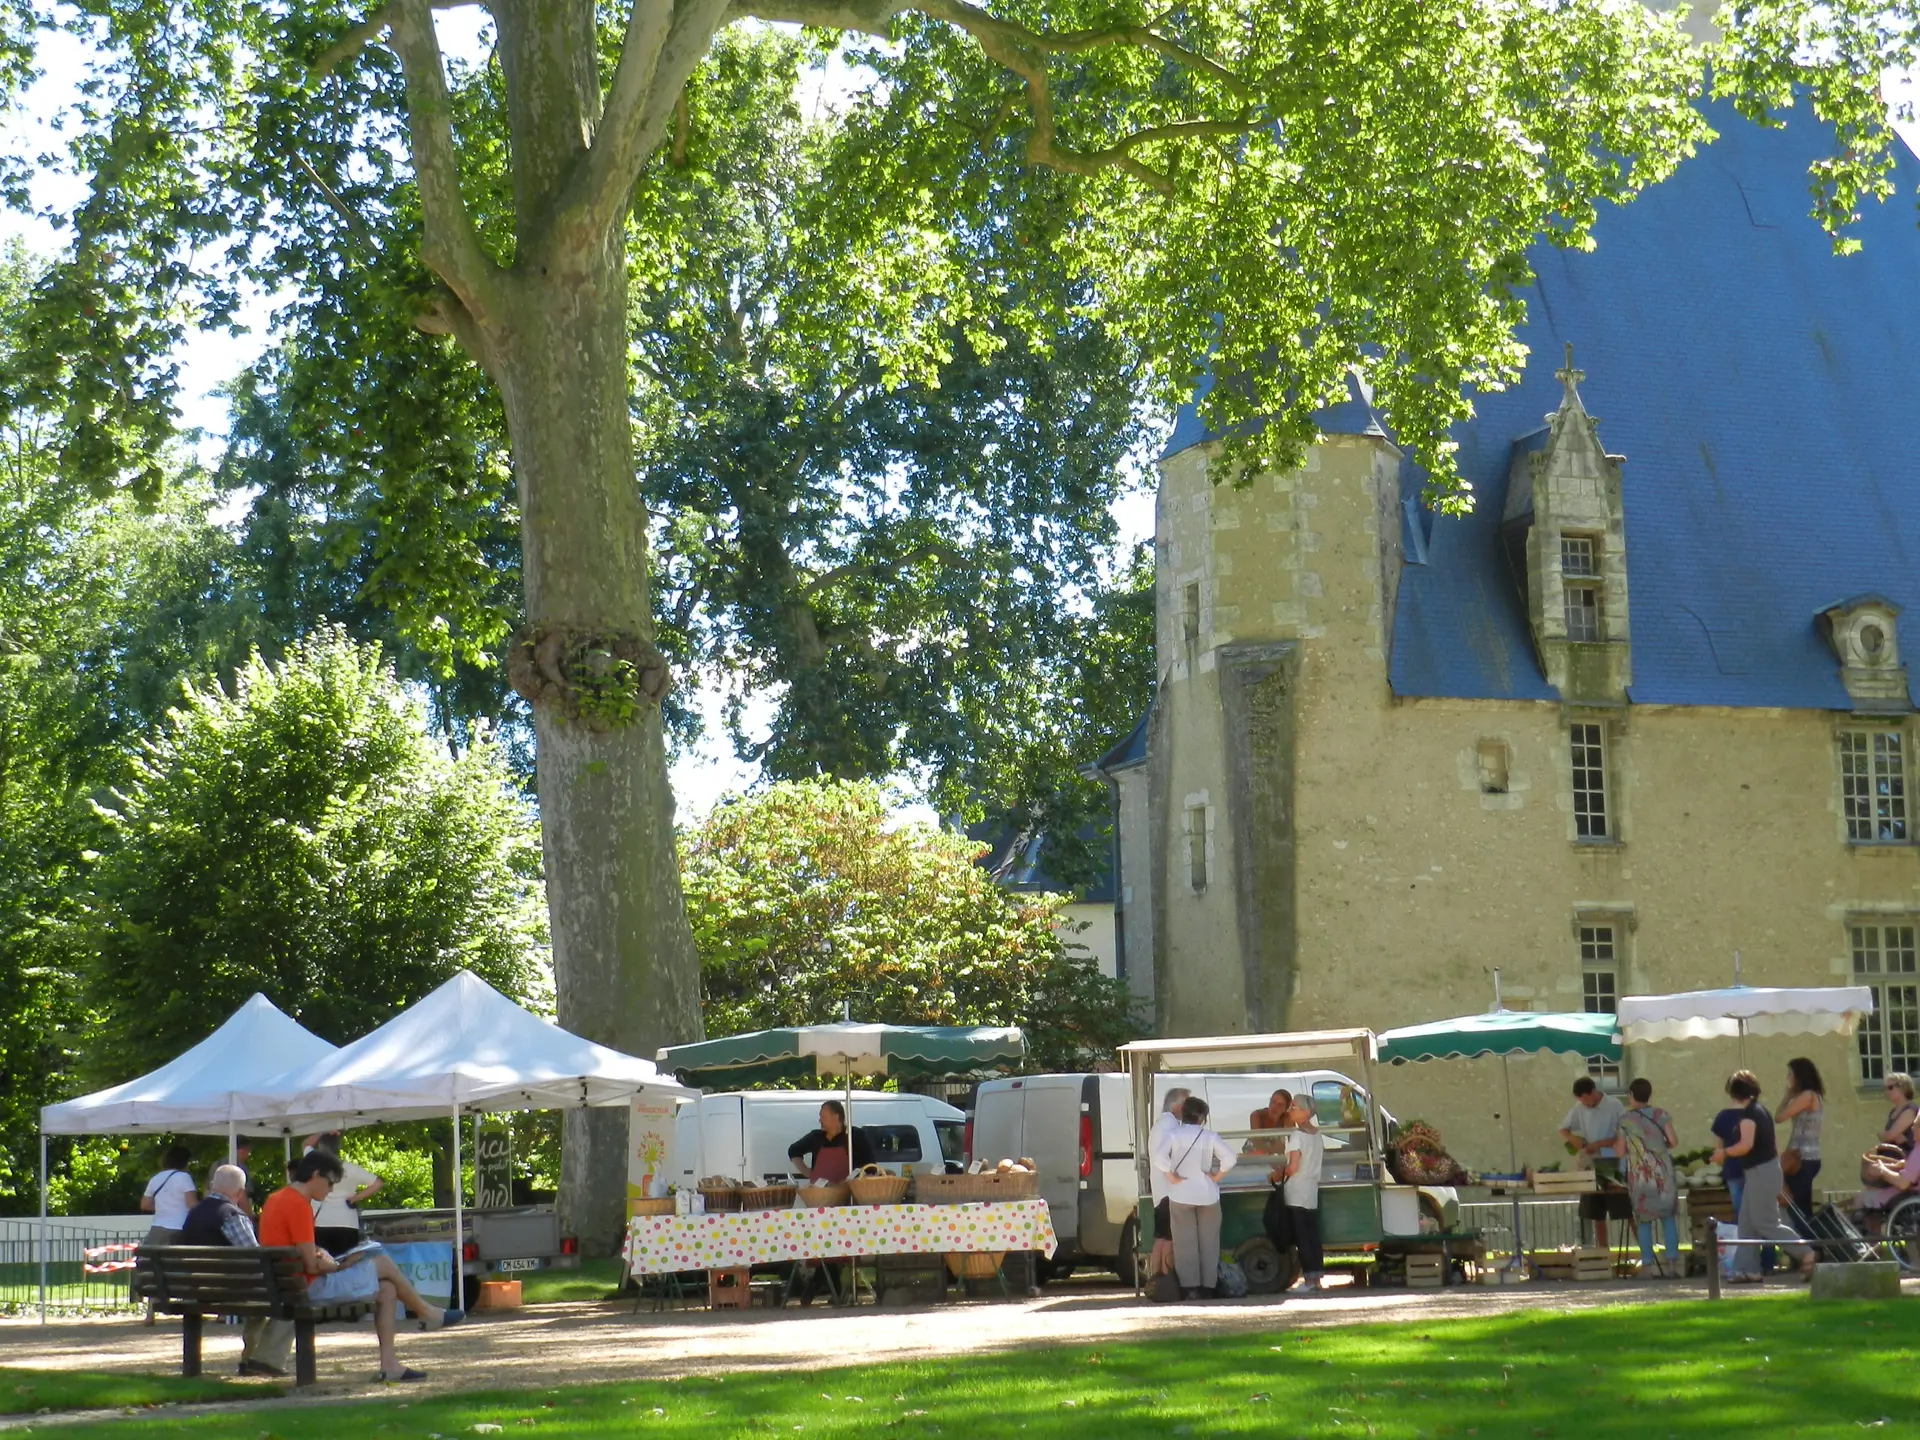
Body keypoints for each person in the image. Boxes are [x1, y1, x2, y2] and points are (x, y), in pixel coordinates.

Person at [257, 1150, 463, 1383]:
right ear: (316, 1175)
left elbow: (296, 1250)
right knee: (382, 1262)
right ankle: (427, 1312)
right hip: (308, 1288)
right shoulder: (299, 1205)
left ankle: (390, 1365)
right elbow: (313, 1268)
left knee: (387, 1289)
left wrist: (323, 1256)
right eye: (330, 1182)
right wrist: (340, 1265)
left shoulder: (276, 1199)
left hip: (287, 1284)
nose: (331, 1189)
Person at [180, 1164, 284, 1378]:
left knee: (262, 1296)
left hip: (194, 1288)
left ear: (211, 1186)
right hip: (229, 1289)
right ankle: (255, 1359)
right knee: (278, 1296)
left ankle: (249, 1359)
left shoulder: (193, 1214)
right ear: (240, 1193)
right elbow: (255, 1257)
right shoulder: (232, 1215)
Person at [1711, 1070, 1814, 1283]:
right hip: (1761, 1171)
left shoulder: (1750, 1116)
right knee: (1747, 1223)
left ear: (1734, 1092)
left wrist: (1724, 1153)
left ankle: (1806, 1252)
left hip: (1761, 1172)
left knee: (1765, 1222)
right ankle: (1747, 1270)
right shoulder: (1760, 1110)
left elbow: (1745, 1146)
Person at [1150, 1095, 1237, 1299]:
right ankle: (1209, 1287)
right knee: (1209, 1242)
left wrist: (1170, 1175)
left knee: (1184, 1243)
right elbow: (1230, 1158)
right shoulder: (1210, 1136)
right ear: (1202, 1118)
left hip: (1180, 1193)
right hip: (1207, 1193)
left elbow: (1159, 1158)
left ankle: (1190, 1289)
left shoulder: (1172, 1134)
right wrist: (1216, 1176)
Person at [1614, 1079, 1679, 1277]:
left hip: (1640, 1175)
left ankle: (1648, 1266)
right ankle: (1672, 1265)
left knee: (1643, 1220)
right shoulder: (1661, 1115)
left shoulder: (1625, 1120)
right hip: (1663, 1173)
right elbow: (1673, 1141)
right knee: (1667, 1218)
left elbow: (1619, 1151)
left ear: (1632, 1095)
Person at [1557, 1077, 1625, 1248]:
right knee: (1597, 1214)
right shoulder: (1579, 1108)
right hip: (1591, 1164)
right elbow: (1563, 1129)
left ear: (1594, 1092)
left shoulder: (1614, 1105)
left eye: (1586, 1099)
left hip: (1613, 1163)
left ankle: (1645, 1256)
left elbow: (1624, 1134)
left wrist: (1599, 1144)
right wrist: (1574, 1139)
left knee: (1626, 1211)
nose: (1584, 1104)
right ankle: (1603, 1254)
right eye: (1581, 1101)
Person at [135, 1143, 199, 1321]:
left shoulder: (156, 1178)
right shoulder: (184, 1177)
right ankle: (189, 1307)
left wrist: (164, 1206)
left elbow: (145, 1204)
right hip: (180, 1228)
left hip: (158, 1227)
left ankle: (150, 1312)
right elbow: (192, 1203)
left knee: (155, 1269)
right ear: (185, 1161)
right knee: (183, 1269)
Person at [303, 1132, 383, 1256]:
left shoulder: (313, 1164)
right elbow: (377, 1183)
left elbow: (306, 1143)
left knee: (322, 1262)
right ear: (339, 1148)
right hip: (347, 1221)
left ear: (320, 1146)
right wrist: (355, 1198)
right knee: (346, 1263)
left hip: (320, 1221)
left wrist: (324, 1130)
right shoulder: (351, 1168)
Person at [1146, 1087, 1191, 1285]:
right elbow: (1169, 1159)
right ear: (1179, 1106)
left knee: (1161, 1239)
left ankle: (1156, 1280)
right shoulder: (1171, 1127)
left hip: (1160, 1190)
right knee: (1169, 1239)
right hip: (1169, 1191)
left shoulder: (1160, 1125)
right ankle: (1167, 1281)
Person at [1281, 1095, 1327, 1290]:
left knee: (1302, 1236)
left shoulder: (1297, 1136)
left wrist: (1278, 1174)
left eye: (1294, 1107)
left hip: (1297, 1188)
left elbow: (1292, 1167)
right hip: (1311, 1188)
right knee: (1312, 1235)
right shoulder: (1317, 1135)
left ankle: (1309, 1279)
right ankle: (1316, 1276)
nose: (1290, 1110)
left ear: (1306, 1112)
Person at [1774, 1058, 1825, 1220]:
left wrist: (1787, 1096)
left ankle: (1807, 1241)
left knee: (1797, 1207)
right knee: (1800, 1205)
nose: (1788, 1077)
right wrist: (1788, 1095)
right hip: (1802, 1157)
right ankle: (1809, 1241)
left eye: (1790, 1074)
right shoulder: (1810, 1095)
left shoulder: (1808, 1096)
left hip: (1803, 1158)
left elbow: (1779, 1117)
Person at [787, 1100, 875, 1182]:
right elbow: (793, 1150)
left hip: (848, 1194)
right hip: (820, 1194)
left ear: (836, 1117)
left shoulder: (854, 1135)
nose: (820, 1120)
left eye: (823, 1117)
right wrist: (807, 1172)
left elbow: (870, 1166)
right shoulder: (816, 1137)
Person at [1878, 1073, 1917, 1155]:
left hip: (1905, 1160)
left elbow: (1889, 1136)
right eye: (1884, 1088)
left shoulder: (1910, 1110)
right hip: (1891, 1157)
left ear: (1903, 1087)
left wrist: (1885, 1135)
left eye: (1890, 1087)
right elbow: (1887, 1136)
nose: (1886, 1092)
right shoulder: (1894, 1111)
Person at [1245, 1090, 1294, 1156]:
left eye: (1280, 1104)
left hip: (1275, 1157)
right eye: (1273, 1102)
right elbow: (1257, 1143)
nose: (1275, 1106)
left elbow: (1292, 1143)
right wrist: (1276, 1150)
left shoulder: (1287, 1118)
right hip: (1253, 1155)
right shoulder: (1256, 1115)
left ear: (1286, 1108)